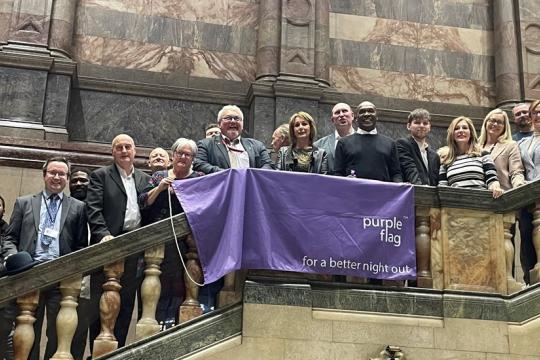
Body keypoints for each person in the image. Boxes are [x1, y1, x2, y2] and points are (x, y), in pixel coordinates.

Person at [3, 157, 88, 360]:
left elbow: (80, 245)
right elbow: (9, 238)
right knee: (27, 327)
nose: (56, 177)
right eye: (52, 173)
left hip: (61, 277)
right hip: (29, 274)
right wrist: (13, 257)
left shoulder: (78, 207)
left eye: (61, 174)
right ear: (44, 175)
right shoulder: (24, 203)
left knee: (58, 333)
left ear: (67, 178)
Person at [86, 134, 150, 350]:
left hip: (134, 247)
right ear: (112, 152)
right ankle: (97, 351)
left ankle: (118, 351)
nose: (124, 151)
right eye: (119, 147)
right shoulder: (100, 176)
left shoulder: (144, 178)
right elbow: (93, 210)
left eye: (128, 147)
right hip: (108, 245)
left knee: (126, 302)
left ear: (135, 151)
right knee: (101, 304)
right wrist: (103, 234)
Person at [139, 138, 203, 324]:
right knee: (158, 284)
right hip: (159, 241)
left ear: (193, 158)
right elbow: (143, 201)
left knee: (180, 286)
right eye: (179, 153)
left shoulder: (198, 177)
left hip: (186, 243)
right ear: (173, 156)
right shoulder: (159, 176)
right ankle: (156, 322)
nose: (183, 157)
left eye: (188, 154)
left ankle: (176, 322)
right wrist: (160, 188)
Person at [334, 101, 402, 182]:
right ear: (356, 118)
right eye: (362, 112)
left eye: (370, 111)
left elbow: (396, 174)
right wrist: (345, 181)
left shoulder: (390, 143)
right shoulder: (343, 143)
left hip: (382, 193)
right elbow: (337, 174)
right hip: (353, 192)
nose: (366, 114)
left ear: (376, 117)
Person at [193, 105, 274, 173]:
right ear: (219, 124)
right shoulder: (206, 144)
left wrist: (254, 176)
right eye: (228, 118)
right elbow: (199, 164)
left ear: (242, 125)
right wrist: (227, 174)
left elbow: (269, 165)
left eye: (237, 118)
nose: (233, 121)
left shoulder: (257, 145)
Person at [438, 116, 503, 198]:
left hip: (481, 203)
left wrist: (495, 187)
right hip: (455, 207)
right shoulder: (446, 161)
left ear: (471, 133)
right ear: (452, 134)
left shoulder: (483, 154)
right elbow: (442, 189)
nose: (461, 130)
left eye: (465, 128)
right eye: (457, 128)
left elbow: (492, 179)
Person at [68, 168, 91, 360]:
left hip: (89, 275)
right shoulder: (65, 207)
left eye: (83, 180)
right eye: (74, 180)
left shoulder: (94, 208)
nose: (78, 184)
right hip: (64, 273)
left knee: (81, 327)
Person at [517, 99, 540, 284]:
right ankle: (530, 278)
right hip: (528, 198)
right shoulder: (523, 143)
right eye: (535, 113)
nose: (538, 116)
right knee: (526, 237)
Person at [478, 109, 525, 190]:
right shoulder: (475, 146)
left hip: (502, 195)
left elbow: (516, 172)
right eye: (492, 120)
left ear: (504, 127)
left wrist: (519, 186)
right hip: (478, 195)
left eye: (500, 122)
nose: (495, 124)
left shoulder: (510, 145)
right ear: (486, 122)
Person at [396, 108, 440, 185]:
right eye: (417, 122)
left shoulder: (434, 156)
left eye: (425, 123)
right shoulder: (403, 144)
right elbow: (410, 170)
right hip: (412, 193)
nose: (422, 126)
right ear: (409, 126)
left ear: (429, 127)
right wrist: (421, 191)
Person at [314, 102, 355, 174]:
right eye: (337, 112)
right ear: (332, 120)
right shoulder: (319, 145)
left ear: (352, 116)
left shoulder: (364, 141)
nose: (341, 115)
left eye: (344, 111)